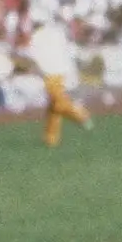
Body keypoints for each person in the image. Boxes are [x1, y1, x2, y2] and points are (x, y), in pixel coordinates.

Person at [23, 13, 91, 146]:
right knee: (54, 106)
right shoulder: (56, 32)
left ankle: (81, 116)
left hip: (51, 73)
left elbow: (32, 56)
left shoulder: (37, 36)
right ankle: (51, 138)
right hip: (60, 71)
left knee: (58, 102)